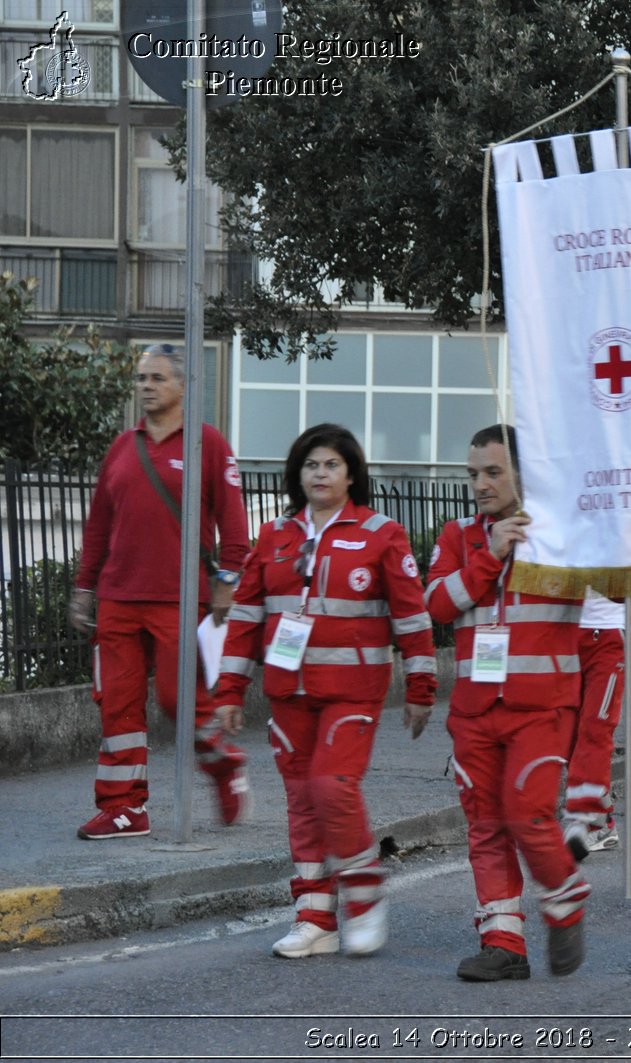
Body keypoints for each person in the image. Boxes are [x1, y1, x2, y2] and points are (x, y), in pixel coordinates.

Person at [216, 423, 436, 958]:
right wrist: (228, 689)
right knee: (301, 800)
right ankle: (315, 917)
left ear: (351, 474)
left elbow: (411, 613)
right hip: (288, 692)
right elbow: (244, 616)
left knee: (330, 787)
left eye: (331, 465)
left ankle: (362, 895)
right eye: (312, 464)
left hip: (353, 691)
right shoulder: (275, 537)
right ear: (298, 472)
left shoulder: (382, 534)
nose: (320, 473)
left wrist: (421, 685)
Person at [422, 425, 589, 981]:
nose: (480, 484)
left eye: (493, 472)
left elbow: (609, 587)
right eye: (473, 474)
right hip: (473, 710)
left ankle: (564, 896)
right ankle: (503, 942)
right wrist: (489, 556)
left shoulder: (563, 535)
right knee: (485, 824)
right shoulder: (458, 536)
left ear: (524, 473)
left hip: (542, 708)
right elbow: (437, 605)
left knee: (527, 815)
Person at [69, 343, 251, 840]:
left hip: (180, 599)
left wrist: (227, 582)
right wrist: (85, 588)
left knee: (179, 701)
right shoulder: (123, 448)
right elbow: (98, 526)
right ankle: (124, 808)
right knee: (118, 706)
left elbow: (236, 527)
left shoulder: (207, 444)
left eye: (156, 378)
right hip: (119, 600)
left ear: (181, 387)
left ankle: (222, 765)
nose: (146, 386)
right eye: (141, 379)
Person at [562, 589, 630, 859]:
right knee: (567, 734)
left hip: (607, 634)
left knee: (595, 729)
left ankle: (583, 817)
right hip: (565, 634)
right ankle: (603, 824)